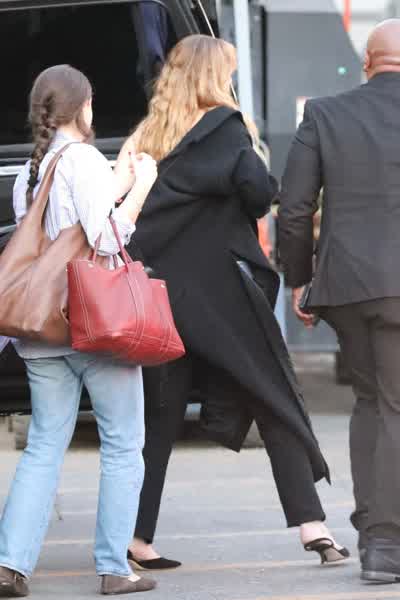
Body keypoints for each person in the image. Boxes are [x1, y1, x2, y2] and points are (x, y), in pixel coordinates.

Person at [114, 34, 349, 572]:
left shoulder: (148, 135)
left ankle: (136, 537)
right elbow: (257, 193)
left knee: (159, 418)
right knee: (274, 397)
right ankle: (313, 526)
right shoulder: (225, 127)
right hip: (222, 297)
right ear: (215, 78)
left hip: (158, 297)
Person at [0, 64, 158, 597]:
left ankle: (10, 565)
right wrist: (141, 189)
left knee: (44, 446)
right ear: (83, 106)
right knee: (123, 444)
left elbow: (62, 231)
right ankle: (114, 568)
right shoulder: (84, 159)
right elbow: (105, 238)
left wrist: (118, 182)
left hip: (41, 329)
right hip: (95, 326)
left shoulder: (31, 171)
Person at [279, 18, 400, 585]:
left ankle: (375, 533)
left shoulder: (325, 114)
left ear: (366, 63)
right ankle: (385, 543)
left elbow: (295, 208)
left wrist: (300, 280)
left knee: (371, 401)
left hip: (348, 284)